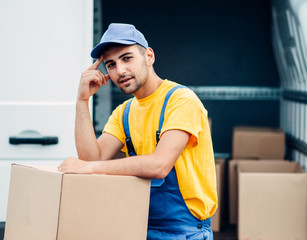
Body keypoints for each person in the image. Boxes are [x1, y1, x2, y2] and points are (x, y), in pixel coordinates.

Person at [58, 23, 217, 239]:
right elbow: (90, 158)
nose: (120, 71)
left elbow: (159, 165)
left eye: (127, 58)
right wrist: (82, 100)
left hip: (184, 231)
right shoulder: (123, 113)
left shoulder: (181, 101)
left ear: (149, 56)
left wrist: (89, 167)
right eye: (111, 64)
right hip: (137, 224)